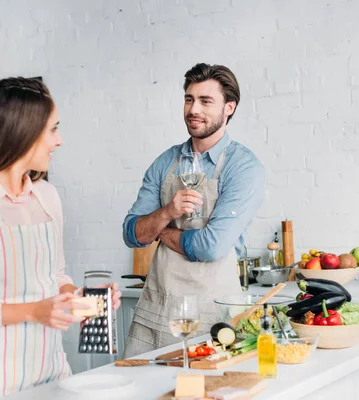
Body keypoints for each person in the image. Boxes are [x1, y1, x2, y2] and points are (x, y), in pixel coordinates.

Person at [0, 77, 121, 399]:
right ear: (23, 132)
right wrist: (33, 311)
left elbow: (54, 277)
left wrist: (82, 299)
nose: (58, 141)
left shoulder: (47, 196)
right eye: (53, 129)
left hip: (50, 367)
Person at [121, 63, 265, 358]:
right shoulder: (165, 162)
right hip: (156, 311)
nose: (193, 109)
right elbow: (132, 233)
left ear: (229, 108)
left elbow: (211, 246)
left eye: (205, 101)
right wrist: (166, 212)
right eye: (189, 99)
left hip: (214, 315)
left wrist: (161, 232)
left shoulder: (243, 167)